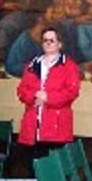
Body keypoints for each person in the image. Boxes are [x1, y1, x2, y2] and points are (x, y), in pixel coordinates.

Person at [16, 26, 82, 164]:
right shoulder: (32, 65)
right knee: (33, 168)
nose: (48, 43)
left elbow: (71, 92)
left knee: (54, 169)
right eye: (45, 40)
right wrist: (35, 95)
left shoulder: (69, 67)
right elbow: (21, 90)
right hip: (32, 128)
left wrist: (48, 97)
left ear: (59, 44)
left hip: (56, 128)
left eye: (52, 40)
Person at [5, 0, 83, 76]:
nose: (57, 16)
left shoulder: (62, 32)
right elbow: (11, 66)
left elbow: (69, 59)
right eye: (53, 13)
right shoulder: (26, 40)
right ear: (40, 18)